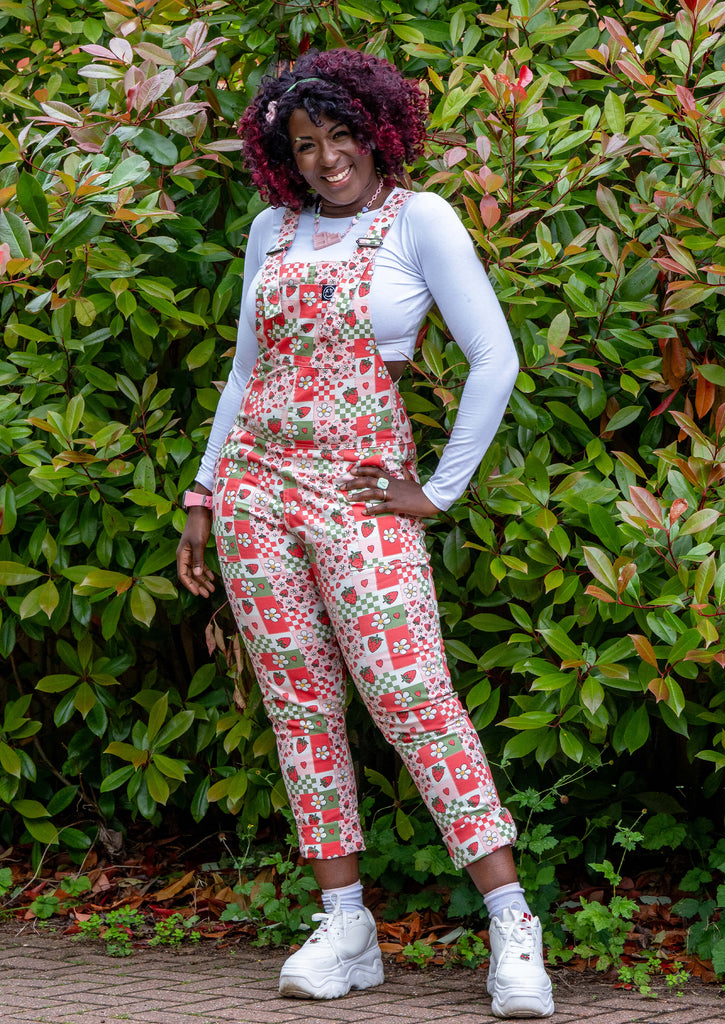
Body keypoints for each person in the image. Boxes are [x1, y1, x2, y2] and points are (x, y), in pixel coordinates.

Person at [176, 48, 553, 1020]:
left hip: (361, 496)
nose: (327, 159)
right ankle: (345, 927)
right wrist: (205, 491)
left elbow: (494, 358)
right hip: (257, 494)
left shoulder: (418, 220)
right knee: (300, 707)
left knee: (414, 698)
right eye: (306, 145)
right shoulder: (273, 229)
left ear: (379, 133)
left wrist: (439, 491)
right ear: (283, 156)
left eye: (343, 136)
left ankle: (511, 922)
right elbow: (244, 372)